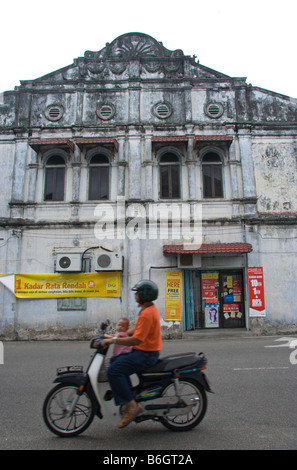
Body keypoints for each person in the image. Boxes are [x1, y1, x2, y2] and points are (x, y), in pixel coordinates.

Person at [101, 280, 162, 429]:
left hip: (146, 354)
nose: (135, 295)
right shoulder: (147, 309)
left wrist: (114, 341)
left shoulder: (147, 313)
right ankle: (127, 395)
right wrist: (117, 335)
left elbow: (136, 339)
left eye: (137, 293)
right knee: (117, 360)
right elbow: (136, 330)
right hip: (144, 351)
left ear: (144, 295)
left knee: (114, 370)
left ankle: (131, 405)